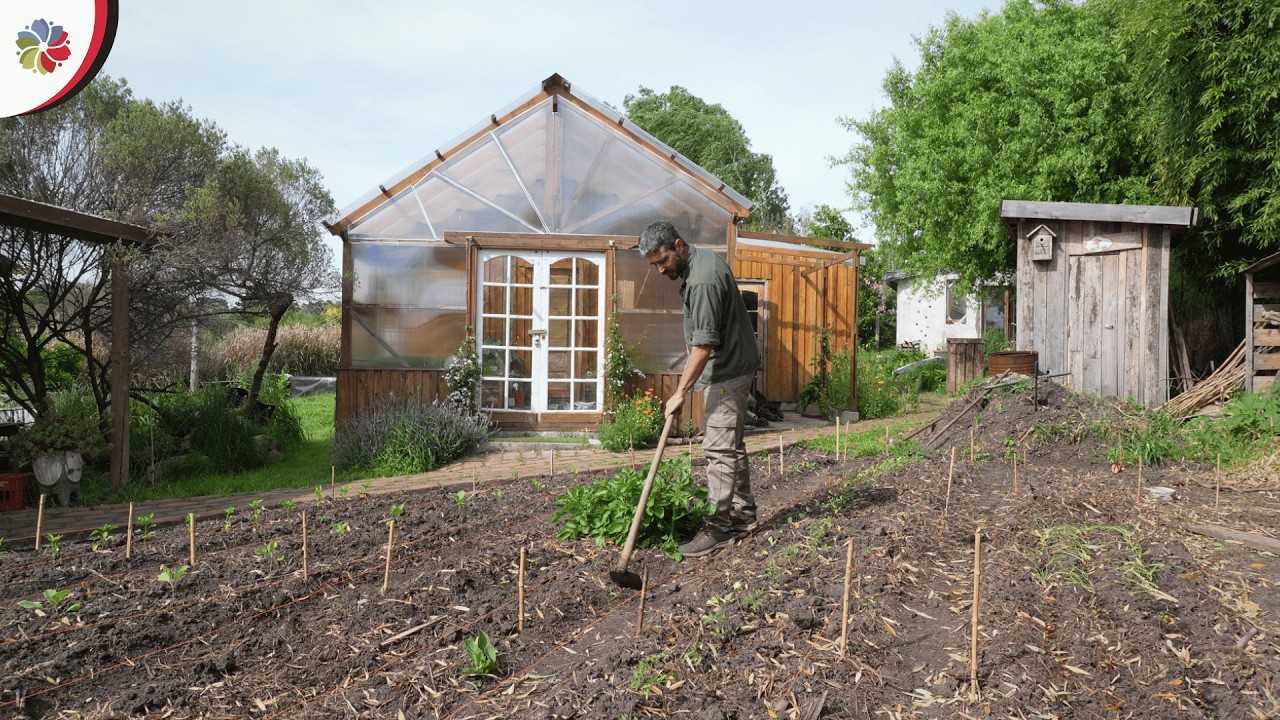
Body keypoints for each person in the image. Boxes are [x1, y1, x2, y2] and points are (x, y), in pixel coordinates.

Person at [638, 220, 761, 557]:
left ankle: (719, 528)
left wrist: (679, 393)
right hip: (734, 364)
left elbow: (704, 345)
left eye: (663, 260)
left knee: (718, 448)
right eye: (654, 265)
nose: (660, 270)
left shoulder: (703, 280)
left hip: (727, 370)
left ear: (679, 246)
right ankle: (743, 516)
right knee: (731, 445)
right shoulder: (700, 263)